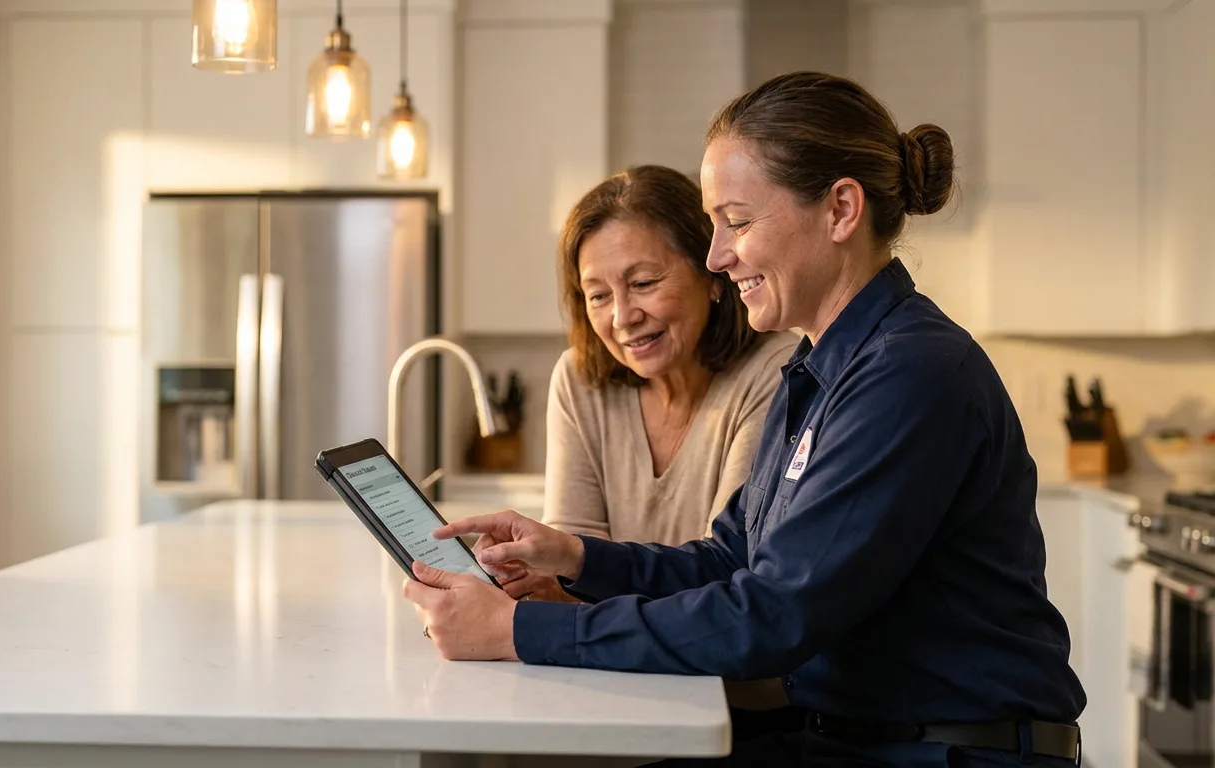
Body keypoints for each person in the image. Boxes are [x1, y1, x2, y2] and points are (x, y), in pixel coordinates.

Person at [401, 70, 1085, 767]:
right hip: (853, 740)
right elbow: (730, 559)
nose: (716, 255)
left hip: (951, 753)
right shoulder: (817, 371)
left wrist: (518, 630)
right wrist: (574, 556)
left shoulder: (911, 374)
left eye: (738, 221)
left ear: (841, 210)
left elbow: (771, 615)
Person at [518, 165, 796, 601]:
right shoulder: (578, 381)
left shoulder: (774, 371)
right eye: (598, 295)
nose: (622, 317)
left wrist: (581, 580)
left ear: (711, 276)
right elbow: (570, 560)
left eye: (643, 283)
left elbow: (724, 574)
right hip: (614, 656)